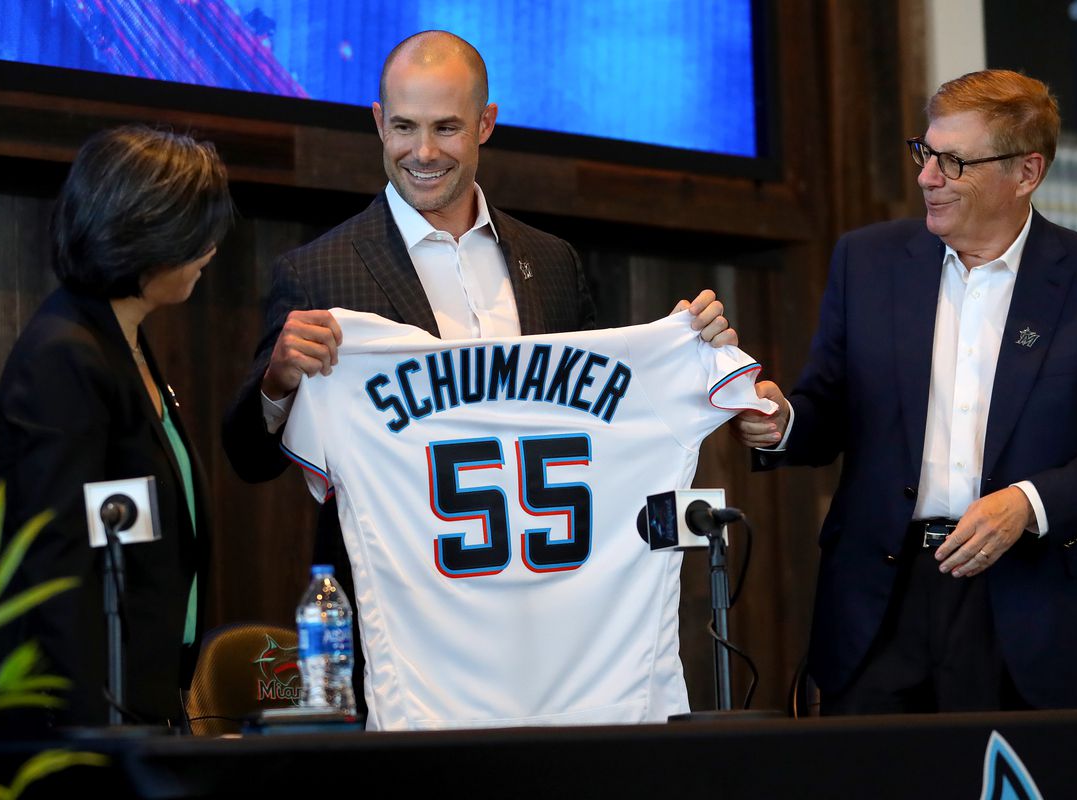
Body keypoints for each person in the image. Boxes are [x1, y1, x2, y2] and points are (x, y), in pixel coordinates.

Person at [222, 30, 735, 716]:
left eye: (446, 128)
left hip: (559, 638)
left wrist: (681, 348)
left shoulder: (552, 263)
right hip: (410, 651)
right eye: (403, 127)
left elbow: (601, 422)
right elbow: (248, 458)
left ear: (486, 124)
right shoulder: (317, 273)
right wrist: (279, 382)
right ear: (378, 122)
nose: (423, 152)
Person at [734, 69, 1077, 714]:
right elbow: (826, 407)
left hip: (1028, 602)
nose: (927, 178)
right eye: (925, 152)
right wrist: (784, 420)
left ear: (1026, 173)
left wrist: (1026, 503)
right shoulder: (867, 262)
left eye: (954, 162)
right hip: (881, 602)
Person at [0, 126, 232, 732]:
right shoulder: (66, 357)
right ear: (149, 232)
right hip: (87, 725)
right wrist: (97, 737)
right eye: (199, 232)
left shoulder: (127, 343)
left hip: (144, 699)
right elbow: (56, 569)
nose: (212, 250)